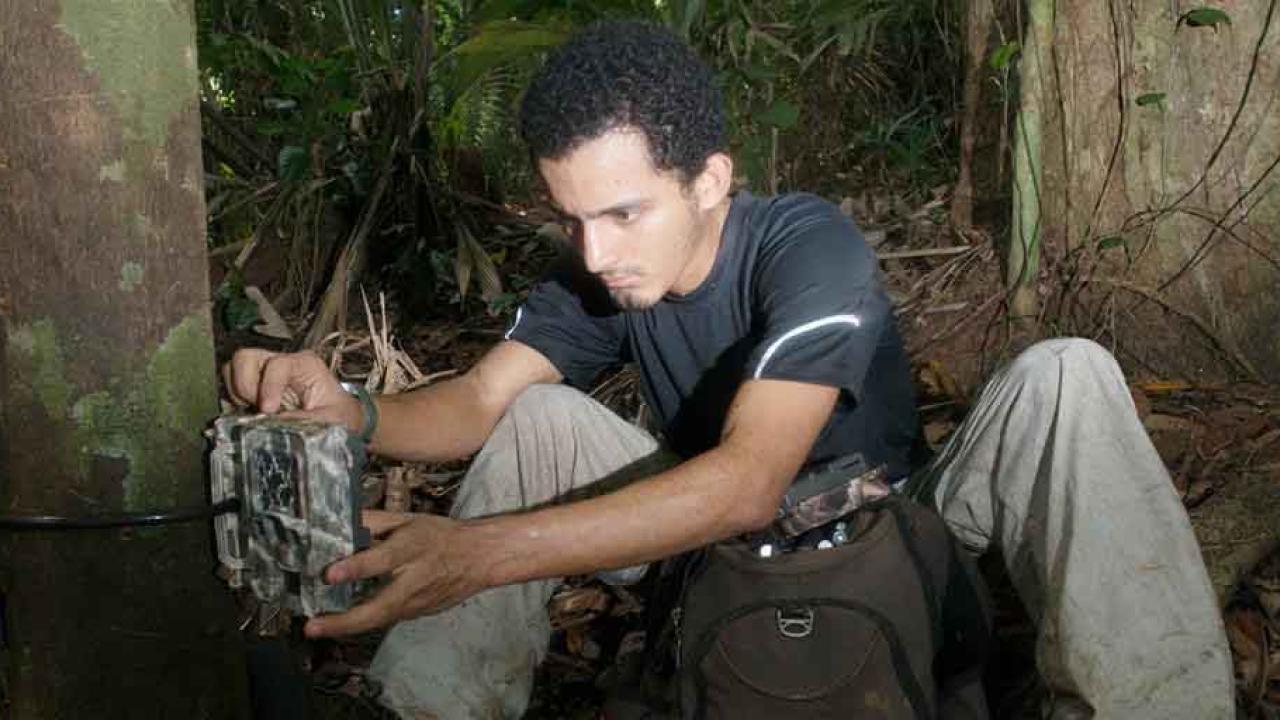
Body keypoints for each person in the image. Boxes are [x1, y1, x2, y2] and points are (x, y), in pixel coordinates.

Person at [223, 20, 1233, 719]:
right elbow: (480, 400)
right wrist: (352, 410)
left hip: (897, 514)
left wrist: (477, 552)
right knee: (532, 420)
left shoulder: (806, 244)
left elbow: (752, 478)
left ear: (710, 180)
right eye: (569, 218)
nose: (594, 252)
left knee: (1065, 374)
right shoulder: (600, 275)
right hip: (699, 544)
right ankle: (424, 704)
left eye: (622, 213)